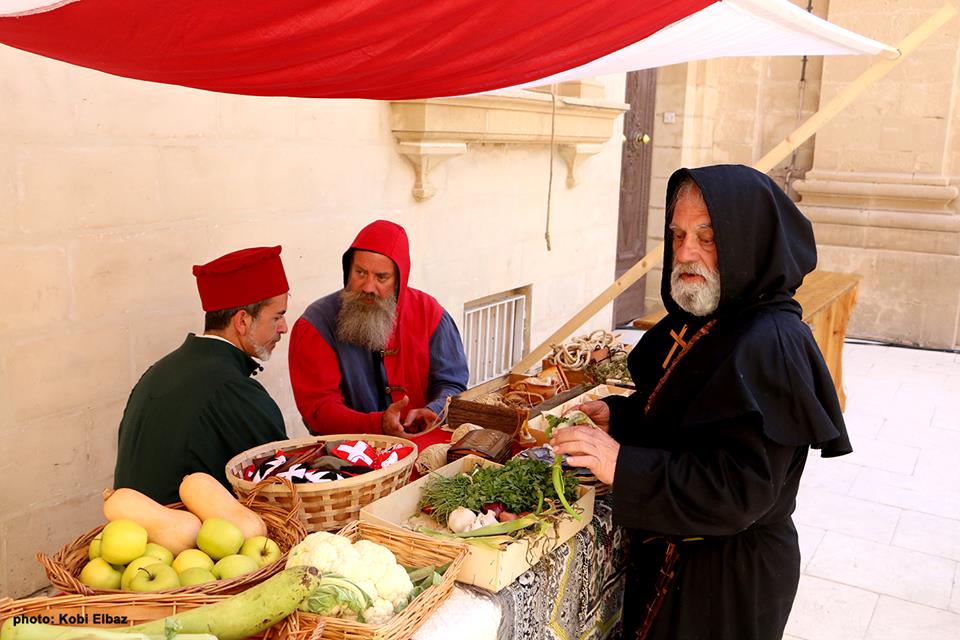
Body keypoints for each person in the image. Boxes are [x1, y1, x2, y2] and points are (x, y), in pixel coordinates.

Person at [551, 164, 851, 640]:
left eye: (707, 238)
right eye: (677, 235)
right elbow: (695, 421)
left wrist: (624, 466)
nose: (685, 252)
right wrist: (622, 418)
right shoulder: (711, 315)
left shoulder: (771, 341)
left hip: (725, 585)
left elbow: (741, 491)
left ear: (747, 242)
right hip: (679, 559)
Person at [114, 246, 290, 504]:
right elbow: (284, 485)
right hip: (186, 541)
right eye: (278, 317)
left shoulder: (158, 372)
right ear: (242, 321)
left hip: (134, 537)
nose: (284, 328)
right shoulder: (232, 389)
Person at [289, 219, 468, 437]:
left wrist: (435, 410)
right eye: (360, 273)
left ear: (399, 279)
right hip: (349, 455)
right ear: (348, 270)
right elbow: (319, 410)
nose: (368, 287)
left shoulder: (429, 313)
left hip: (422, 444)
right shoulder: (316, 323)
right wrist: (377, 424)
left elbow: (452, 384)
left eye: (381, 277)